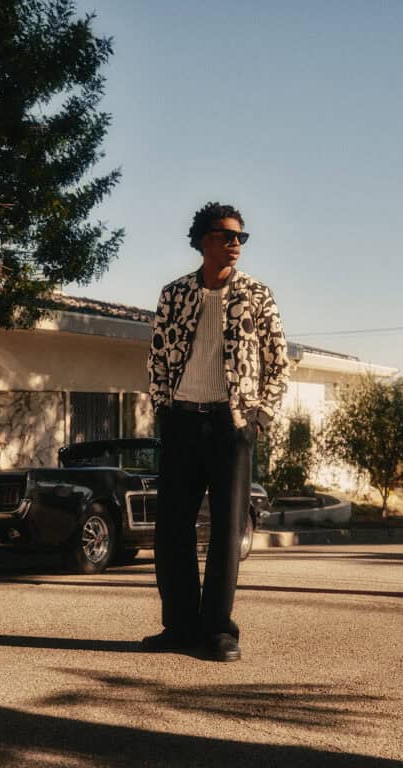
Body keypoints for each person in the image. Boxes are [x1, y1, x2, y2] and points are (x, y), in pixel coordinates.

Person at [143, 201, 289, 662]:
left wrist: (258, 417)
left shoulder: (257, 295)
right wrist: (164, 409)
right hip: (183, 419)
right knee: (172, 530)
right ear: (204, 239)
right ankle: (180, 626)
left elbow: (280, 364)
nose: (235, 245)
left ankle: (218, 631)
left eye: (241, 238)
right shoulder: (174, 294)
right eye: (227, 236)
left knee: (227, 530)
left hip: (232, 423)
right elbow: (157, 358)